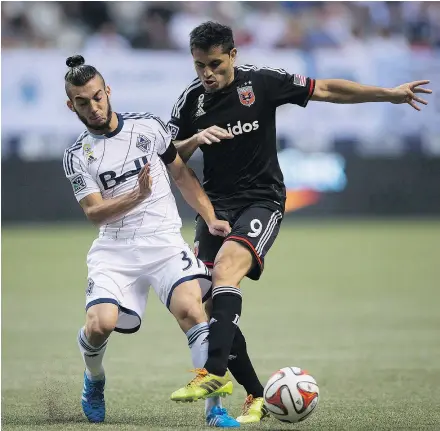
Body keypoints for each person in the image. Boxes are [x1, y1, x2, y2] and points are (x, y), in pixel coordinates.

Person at [168, 20, 432, 410]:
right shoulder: (191, 100)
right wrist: (193, 139)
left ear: (233, 56)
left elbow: (325, 88)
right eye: (199, 65)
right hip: (215, 207)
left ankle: (213, 375)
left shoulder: (261, 81)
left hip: (262, 200)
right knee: (208, 305)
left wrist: (388, 94)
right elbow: (170, 158)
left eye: (216, 64)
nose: (207, 73)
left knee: (225, 272)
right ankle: (257, 396)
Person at [62, 54, 242, 428]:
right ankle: (94, 380)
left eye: (97, 96)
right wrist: (135, 196)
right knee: (100, 324)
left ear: (107, 91)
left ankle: (214, 411)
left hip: (162, 242)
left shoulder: (148, 127)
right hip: (115, 249)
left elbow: (182, 175)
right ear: (71, 105)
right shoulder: (77, 155)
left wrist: (210, 218)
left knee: (193, 310)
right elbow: (94, 212)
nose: (93, 107)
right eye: (82, 102)